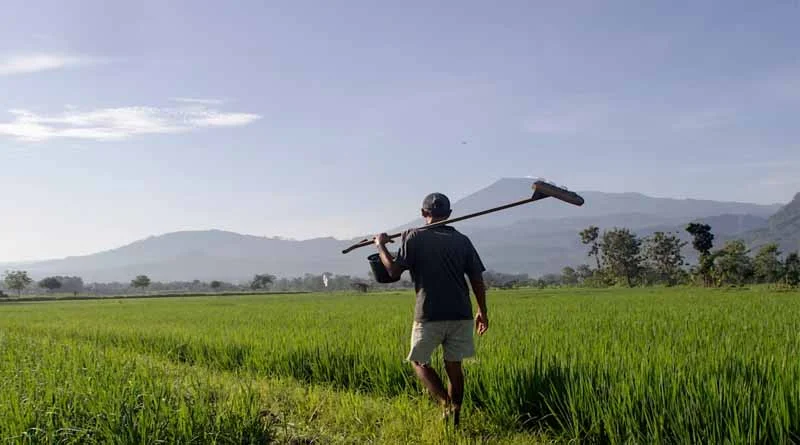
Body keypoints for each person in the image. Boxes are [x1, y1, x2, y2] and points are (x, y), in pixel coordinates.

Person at [374, 192, 488, 427]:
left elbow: (393, 272)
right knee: (454, 366)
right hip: (461, 313)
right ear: (449, 214)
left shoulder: (414, 236)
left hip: (429, 313)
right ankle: (455, 416)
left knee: (418, 361)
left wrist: (380, 246)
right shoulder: (462, 240)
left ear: (423, 213)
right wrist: (482, 311)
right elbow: (476, 278)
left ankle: (446, 403)